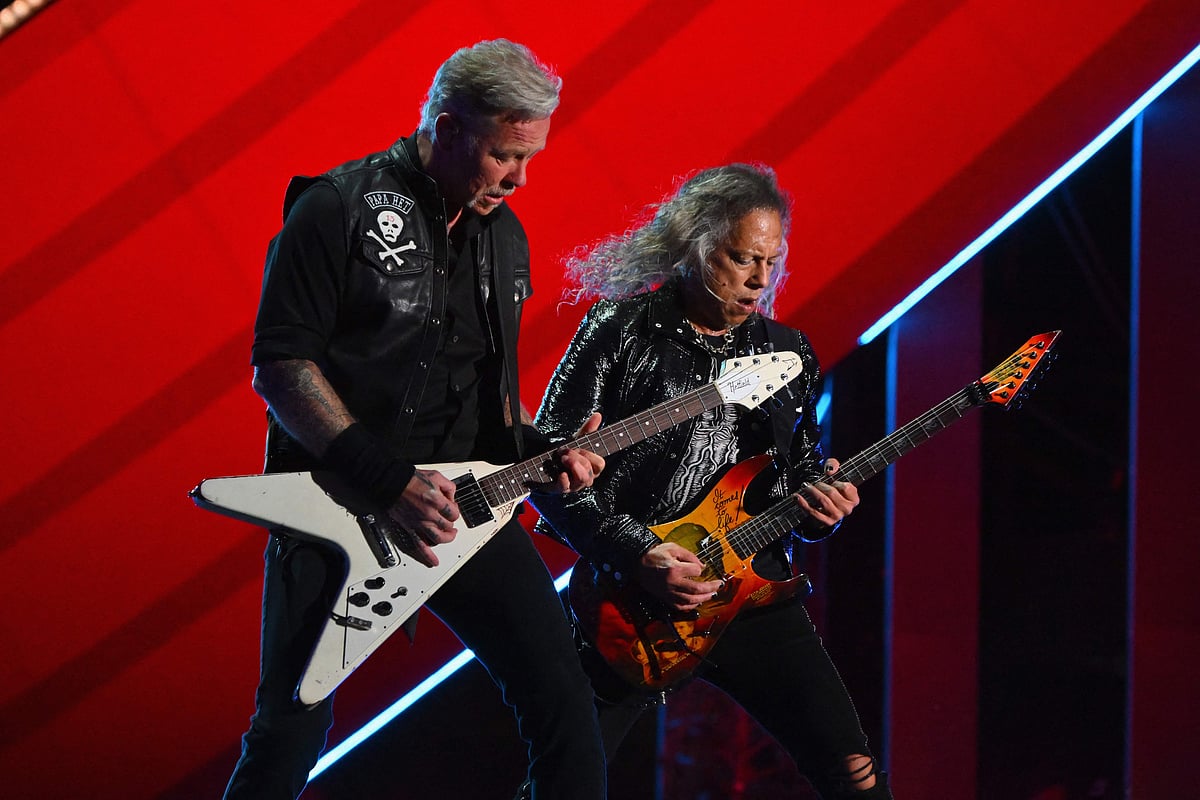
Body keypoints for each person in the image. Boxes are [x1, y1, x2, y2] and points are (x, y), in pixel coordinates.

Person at [224, 39, 608, 800]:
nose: (521, 178)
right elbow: (281, 367)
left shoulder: (505, 236)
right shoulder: (334, 207)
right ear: (447, 123)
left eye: (530, 156)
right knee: (289, 733)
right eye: (504, 154)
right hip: (341, 504)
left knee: (566, 702)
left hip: (465, 507)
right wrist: (388, 480)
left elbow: (482, 395)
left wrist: (544, 450)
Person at [528, 163, 893, 798]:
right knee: (565, 782)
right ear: (696, 244)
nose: (760, 279)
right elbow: (547, 474)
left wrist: (821, 506)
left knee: (853, 769)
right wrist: (636, 553)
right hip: (624, 603)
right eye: (742, 258)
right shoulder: (617, 328)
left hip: (750, 597)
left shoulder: (788, 351)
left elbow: (794, 480)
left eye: (771, 262)